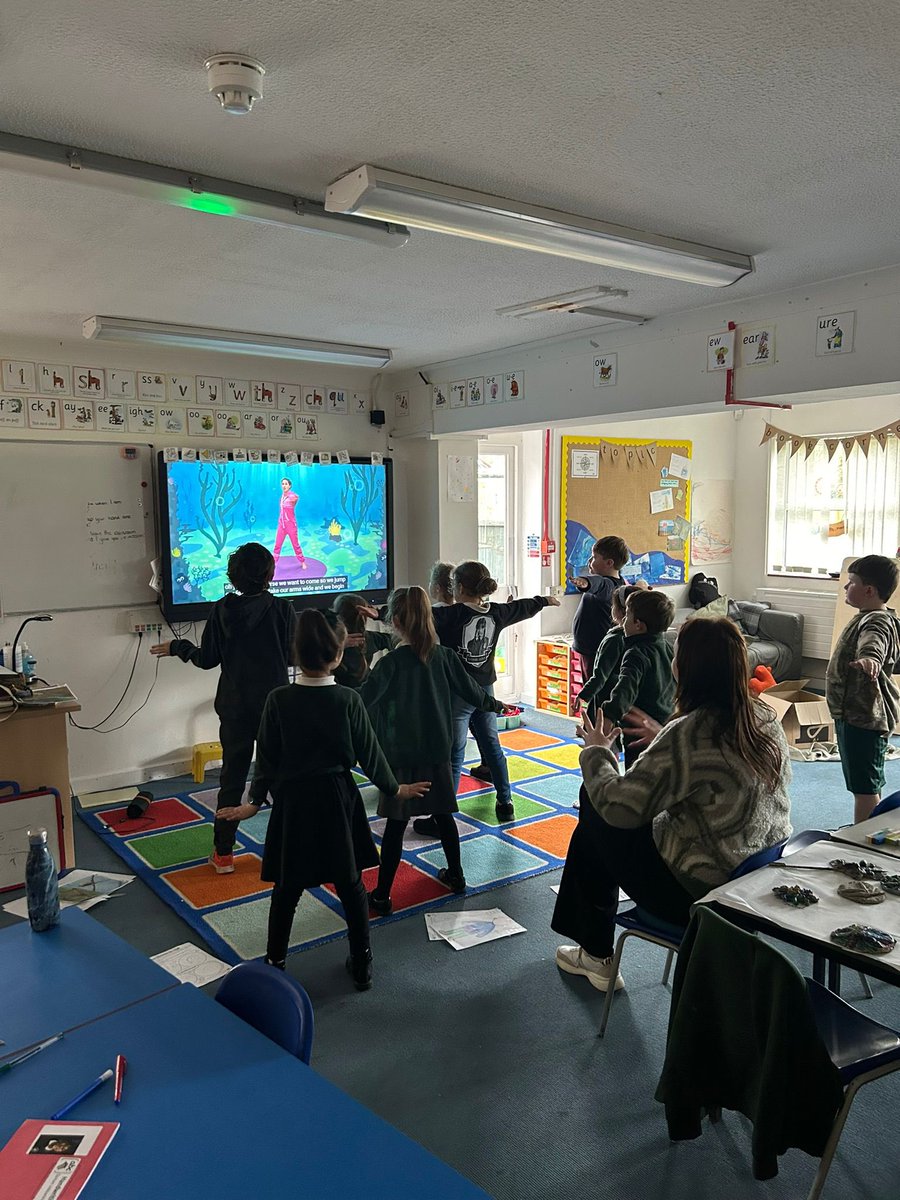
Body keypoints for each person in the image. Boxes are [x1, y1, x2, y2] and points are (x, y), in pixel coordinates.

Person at [552, 616, 791, 993]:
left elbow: (619, 807)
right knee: (598, 819)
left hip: (698, 891)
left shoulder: (689, 734)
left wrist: (597, 753)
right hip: (755, 872)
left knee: (595, 805)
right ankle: (593, 950)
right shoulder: (762, 716)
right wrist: (663, 734)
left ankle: (596, 955)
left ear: (685, 668)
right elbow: (706, 763)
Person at [216, 609, 429, 990]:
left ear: (295, 655)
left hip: (293, 801)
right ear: (337, 655)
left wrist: (252, 802)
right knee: (350, 884)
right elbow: (370, 753)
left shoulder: (278, 699)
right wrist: (395, 788)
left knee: (287, 888)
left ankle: (275, 962)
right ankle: (362, 962)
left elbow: (265, 757)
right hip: (336, 800)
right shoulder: (348, 699)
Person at [151, 542, 296, 874]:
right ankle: (288, 847)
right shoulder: (283, 610)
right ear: (270, 574)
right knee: (279, 777)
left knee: (232, 778)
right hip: (274, 708)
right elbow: (292, 656)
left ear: (233, 575)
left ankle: (224, 854)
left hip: (233, 708)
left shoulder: (220, 610)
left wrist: (178, 647)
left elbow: (207, 660)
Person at [359, 586, 506, 911]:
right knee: (444, 817)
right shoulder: (446, 657)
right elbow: (474, 692)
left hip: (400, 757)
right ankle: (457, 876)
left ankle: (382, 895)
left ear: (395, 621)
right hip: (438, 752)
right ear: (429, 619)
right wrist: (498, 706)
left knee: (396, 827)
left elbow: (362, 700)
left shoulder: (391, 663)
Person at [423, 561, 559, 827]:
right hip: (485, 689)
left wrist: (378, 613)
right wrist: (544, 600)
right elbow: (522, 607)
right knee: (492, 745)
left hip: (460, 692)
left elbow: (414, 615)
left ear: (459, 587)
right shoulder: (496, 612)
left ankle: (443, 816)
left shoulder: (452, 615)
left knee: (454, 753)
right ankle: (505, 802)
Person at [825, 554, 900, 823]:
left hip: (864, 718)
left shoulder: (876, 621)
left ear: (868, 590)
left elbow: (874, 643)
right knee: (863, 782)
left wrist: (870, 658)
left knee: (865, 789)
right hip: (855, 715)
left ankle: (862, 841)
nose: (846, 587)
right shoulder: (872, 616)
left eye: (851, 582)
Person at [598, 589, 675, 768]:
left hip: (638, 728)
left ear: (639, 625)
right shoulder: (667, 646)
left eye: (627, 617)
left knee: (637, 772)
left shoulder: (636, 653)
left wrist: (608, 716)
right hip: (665, 722)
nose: (623, 621)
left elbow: (625, 689)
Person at [577, 583, 646, 721]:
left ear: (621, 612)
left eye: (613, 605)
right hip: (627, 700)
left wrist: (583, 695)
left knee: (600, 732)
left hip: (608, 697)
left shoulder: (614, 639)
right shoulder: (643, 637)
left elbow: (600, 675)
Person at [571, 535, 630, 684]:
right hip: (591, 648)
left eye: (594, 557)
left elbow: (600, 584)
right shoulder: (619, 582)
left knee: (595, 690)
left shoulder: (610, 586)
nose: (589, 561)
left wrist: (586, 582)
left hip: (595, 650)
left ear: (609, 563)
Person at [330, 593, 394, 689]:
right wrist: (380, 614)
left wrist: (336, 646)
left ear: (337, 616)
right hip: (369, 696)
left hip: (340, 700)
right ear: (364, 616)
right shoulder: (370, 638)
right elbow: (404, 639)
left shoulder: (327, 645)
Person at [274, 477, 306, 568]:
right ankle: (274, 562)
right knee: (277, 544)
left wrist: (288, 494)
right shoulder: (282, 497)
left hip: (291, 525)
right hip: (282, 525)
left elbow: (296, 498)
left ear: (290, 485)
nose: (284, 486)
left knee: (295, 544)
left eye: (286, 484)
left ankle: (302, 561)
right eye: (282, 484)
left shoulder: (292, 496)